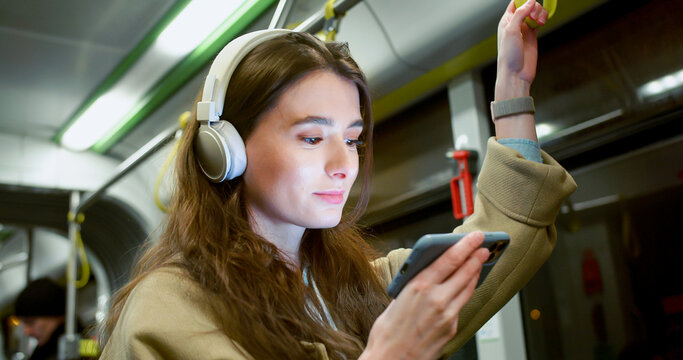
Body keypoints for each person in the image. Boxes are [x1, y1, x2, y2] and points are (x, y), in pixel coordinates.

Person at [100, 0, 576, 359]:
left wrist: (512, 89)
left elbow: (506, 234)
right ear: (225, 148)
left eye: (352, 140)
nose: (343, 164)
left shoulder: (354, 290)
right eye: (311, 138)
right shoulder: (169, 309)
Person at [14, 278, 66, 360]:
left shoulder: (83, 347)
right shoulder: (42, 352)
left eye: (30, 322)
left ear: (54, 316)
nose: (27, 331)